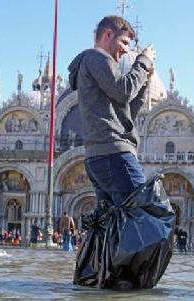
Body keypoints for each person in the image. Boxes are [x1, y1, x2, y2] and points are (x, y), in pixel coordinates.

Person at [68, 15, 155, 210]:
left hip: (102, 155)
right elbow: (123, 91)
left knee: (112, 222)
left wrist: (145, 80)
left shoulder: (98, 67)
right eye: (124, 42)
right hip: (114, 154)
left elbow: (127, 115)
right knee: (149, 212)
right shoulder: (96, 57)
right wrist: (142, 60)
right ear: (108, 34)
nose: (126, 50)